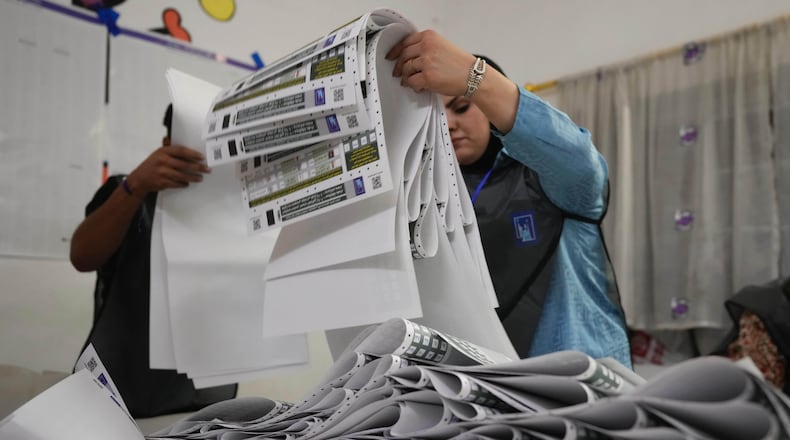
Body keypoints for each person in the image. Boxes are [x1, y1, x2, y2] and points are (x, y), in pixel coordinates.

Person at [387, 31, 632, 367]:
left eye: (461, 107)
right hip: (493, 392)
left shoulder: (543, 176)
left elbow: (582, 165)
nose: (450, 124)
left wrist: (477, 78)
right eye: (437, 116)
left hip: (582, 384)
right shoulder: (429, 197)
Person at [69, 105, 237, 418]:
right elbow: (81, 255)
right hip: (118, 398)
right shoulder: (128, 192)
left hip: (205, 403)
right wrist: (137, 183)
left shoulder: (233, 211)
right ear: (167, 145)